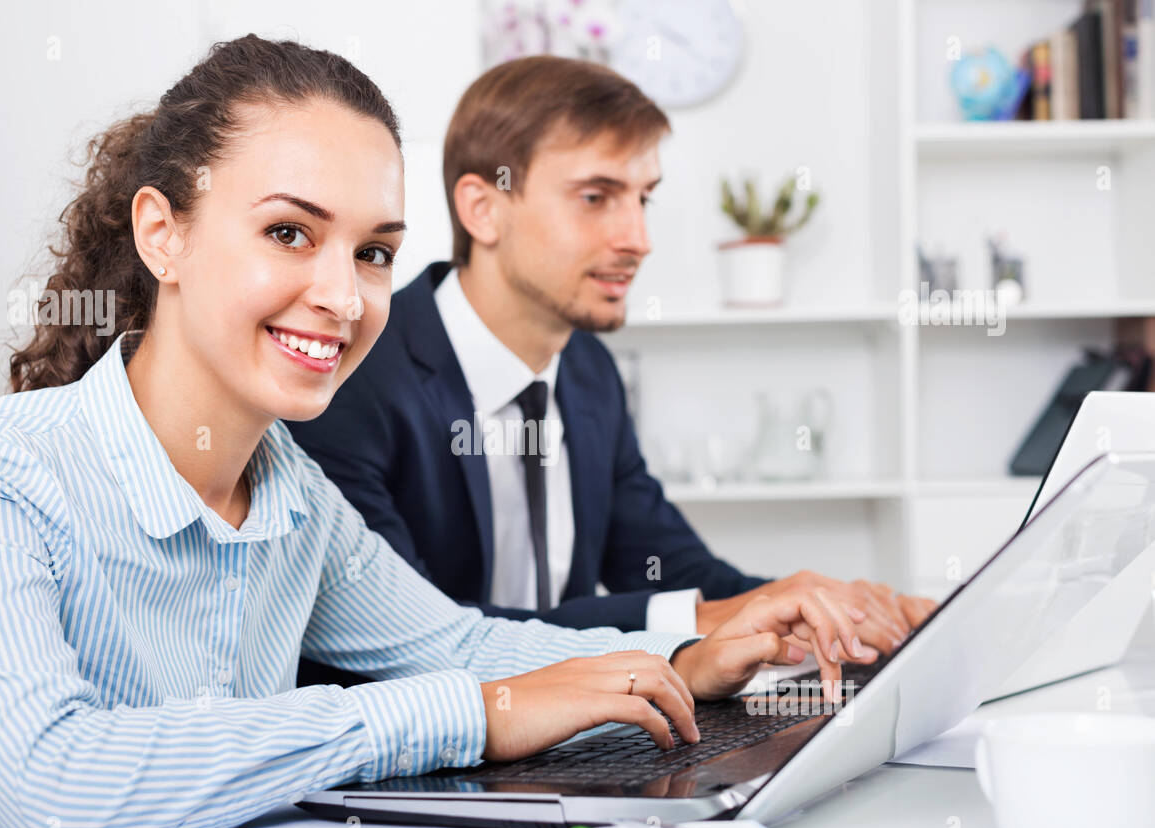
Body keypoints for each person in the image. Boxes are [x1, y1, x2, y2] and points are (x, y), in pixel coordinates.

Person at [0, 36, 868, 828]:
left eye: (374, 252)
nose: (344, 298)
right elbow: (57, 788)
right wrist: (469, 715)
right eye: (290, 232)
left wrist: (683, 661)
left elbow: (460, 649)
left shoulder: (292, 491)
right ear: (163, 234)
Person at [289, 56, 935, 682]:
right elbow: (422, 638)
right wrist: (704, 622)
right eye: (596, 197)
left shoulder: (588, 370)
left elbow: (668, 569)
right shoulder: (353, 372)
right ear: (483, 208)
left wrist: (825, 606)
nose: (637, 238)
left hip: (577, 738)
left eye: (643, 199)